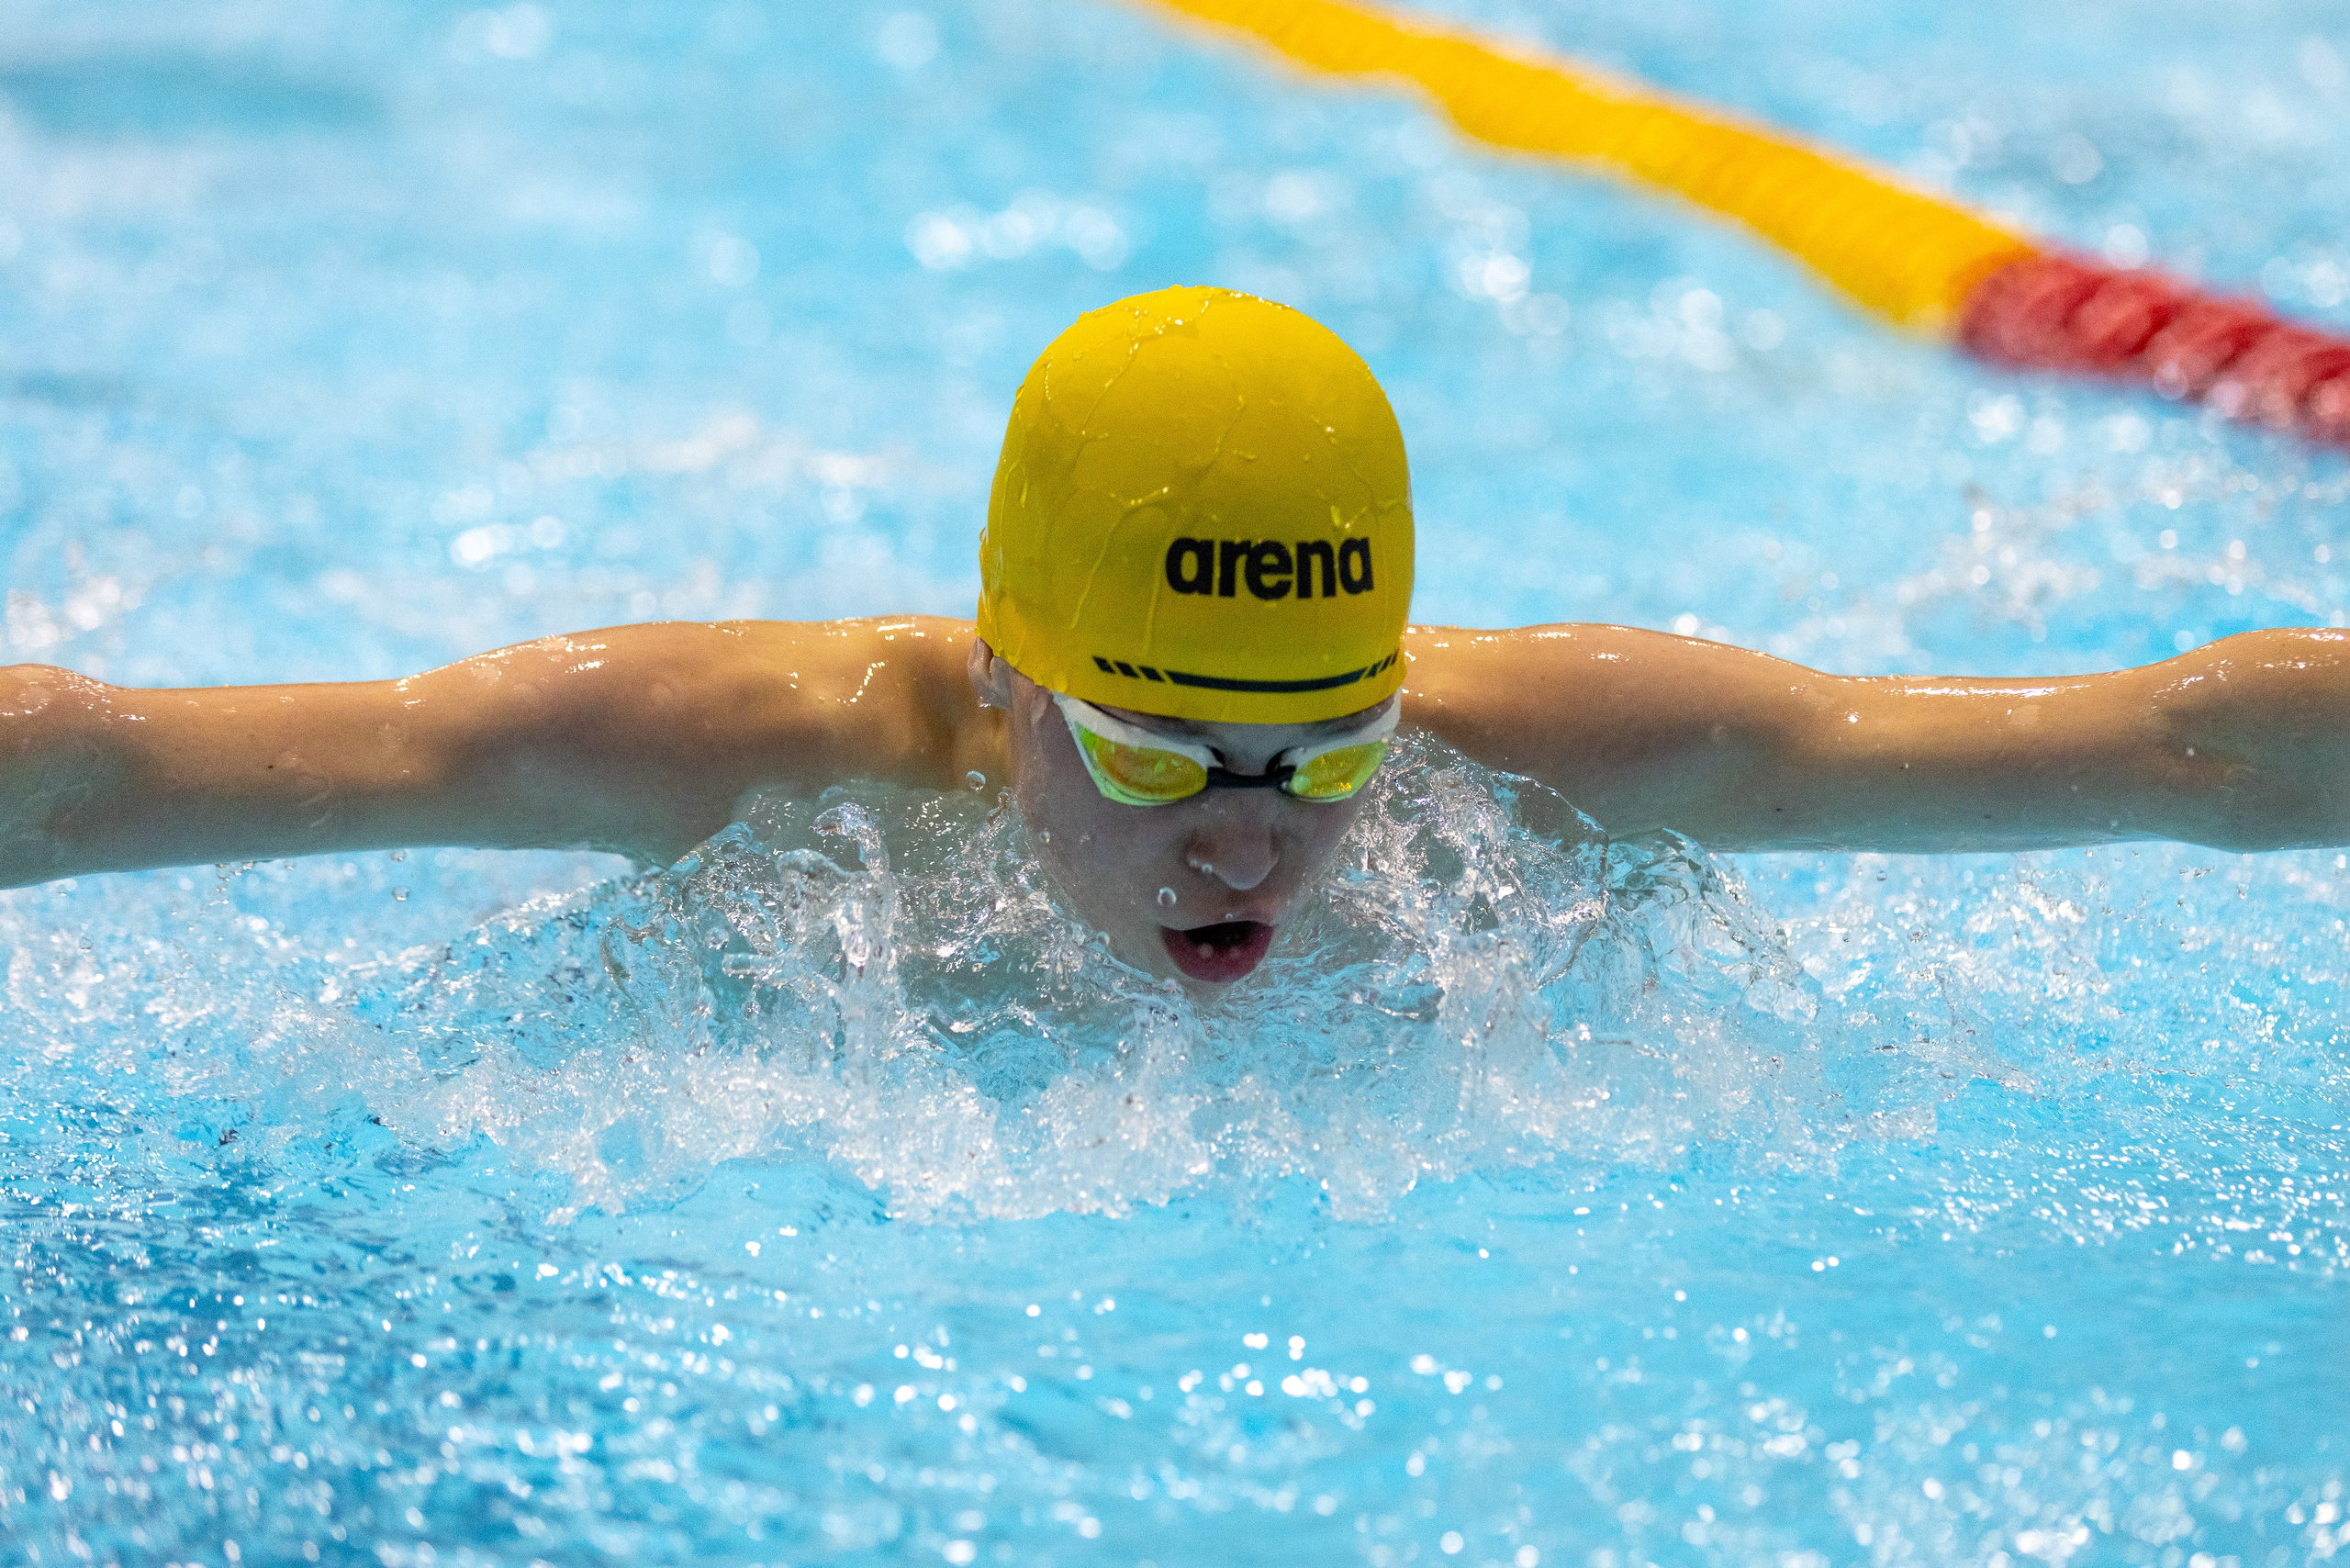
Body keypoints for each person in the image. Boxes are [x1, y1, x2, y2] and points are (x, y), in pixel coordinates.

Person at [5, 286, 2347, 985]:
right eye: (1153, 751)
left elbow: (2161, 748)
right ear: (1002, 677)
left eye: (1329, 750)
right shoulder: (733, 753)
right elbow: (120, 766)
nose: (1261, 842)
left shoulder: (1540, 755)